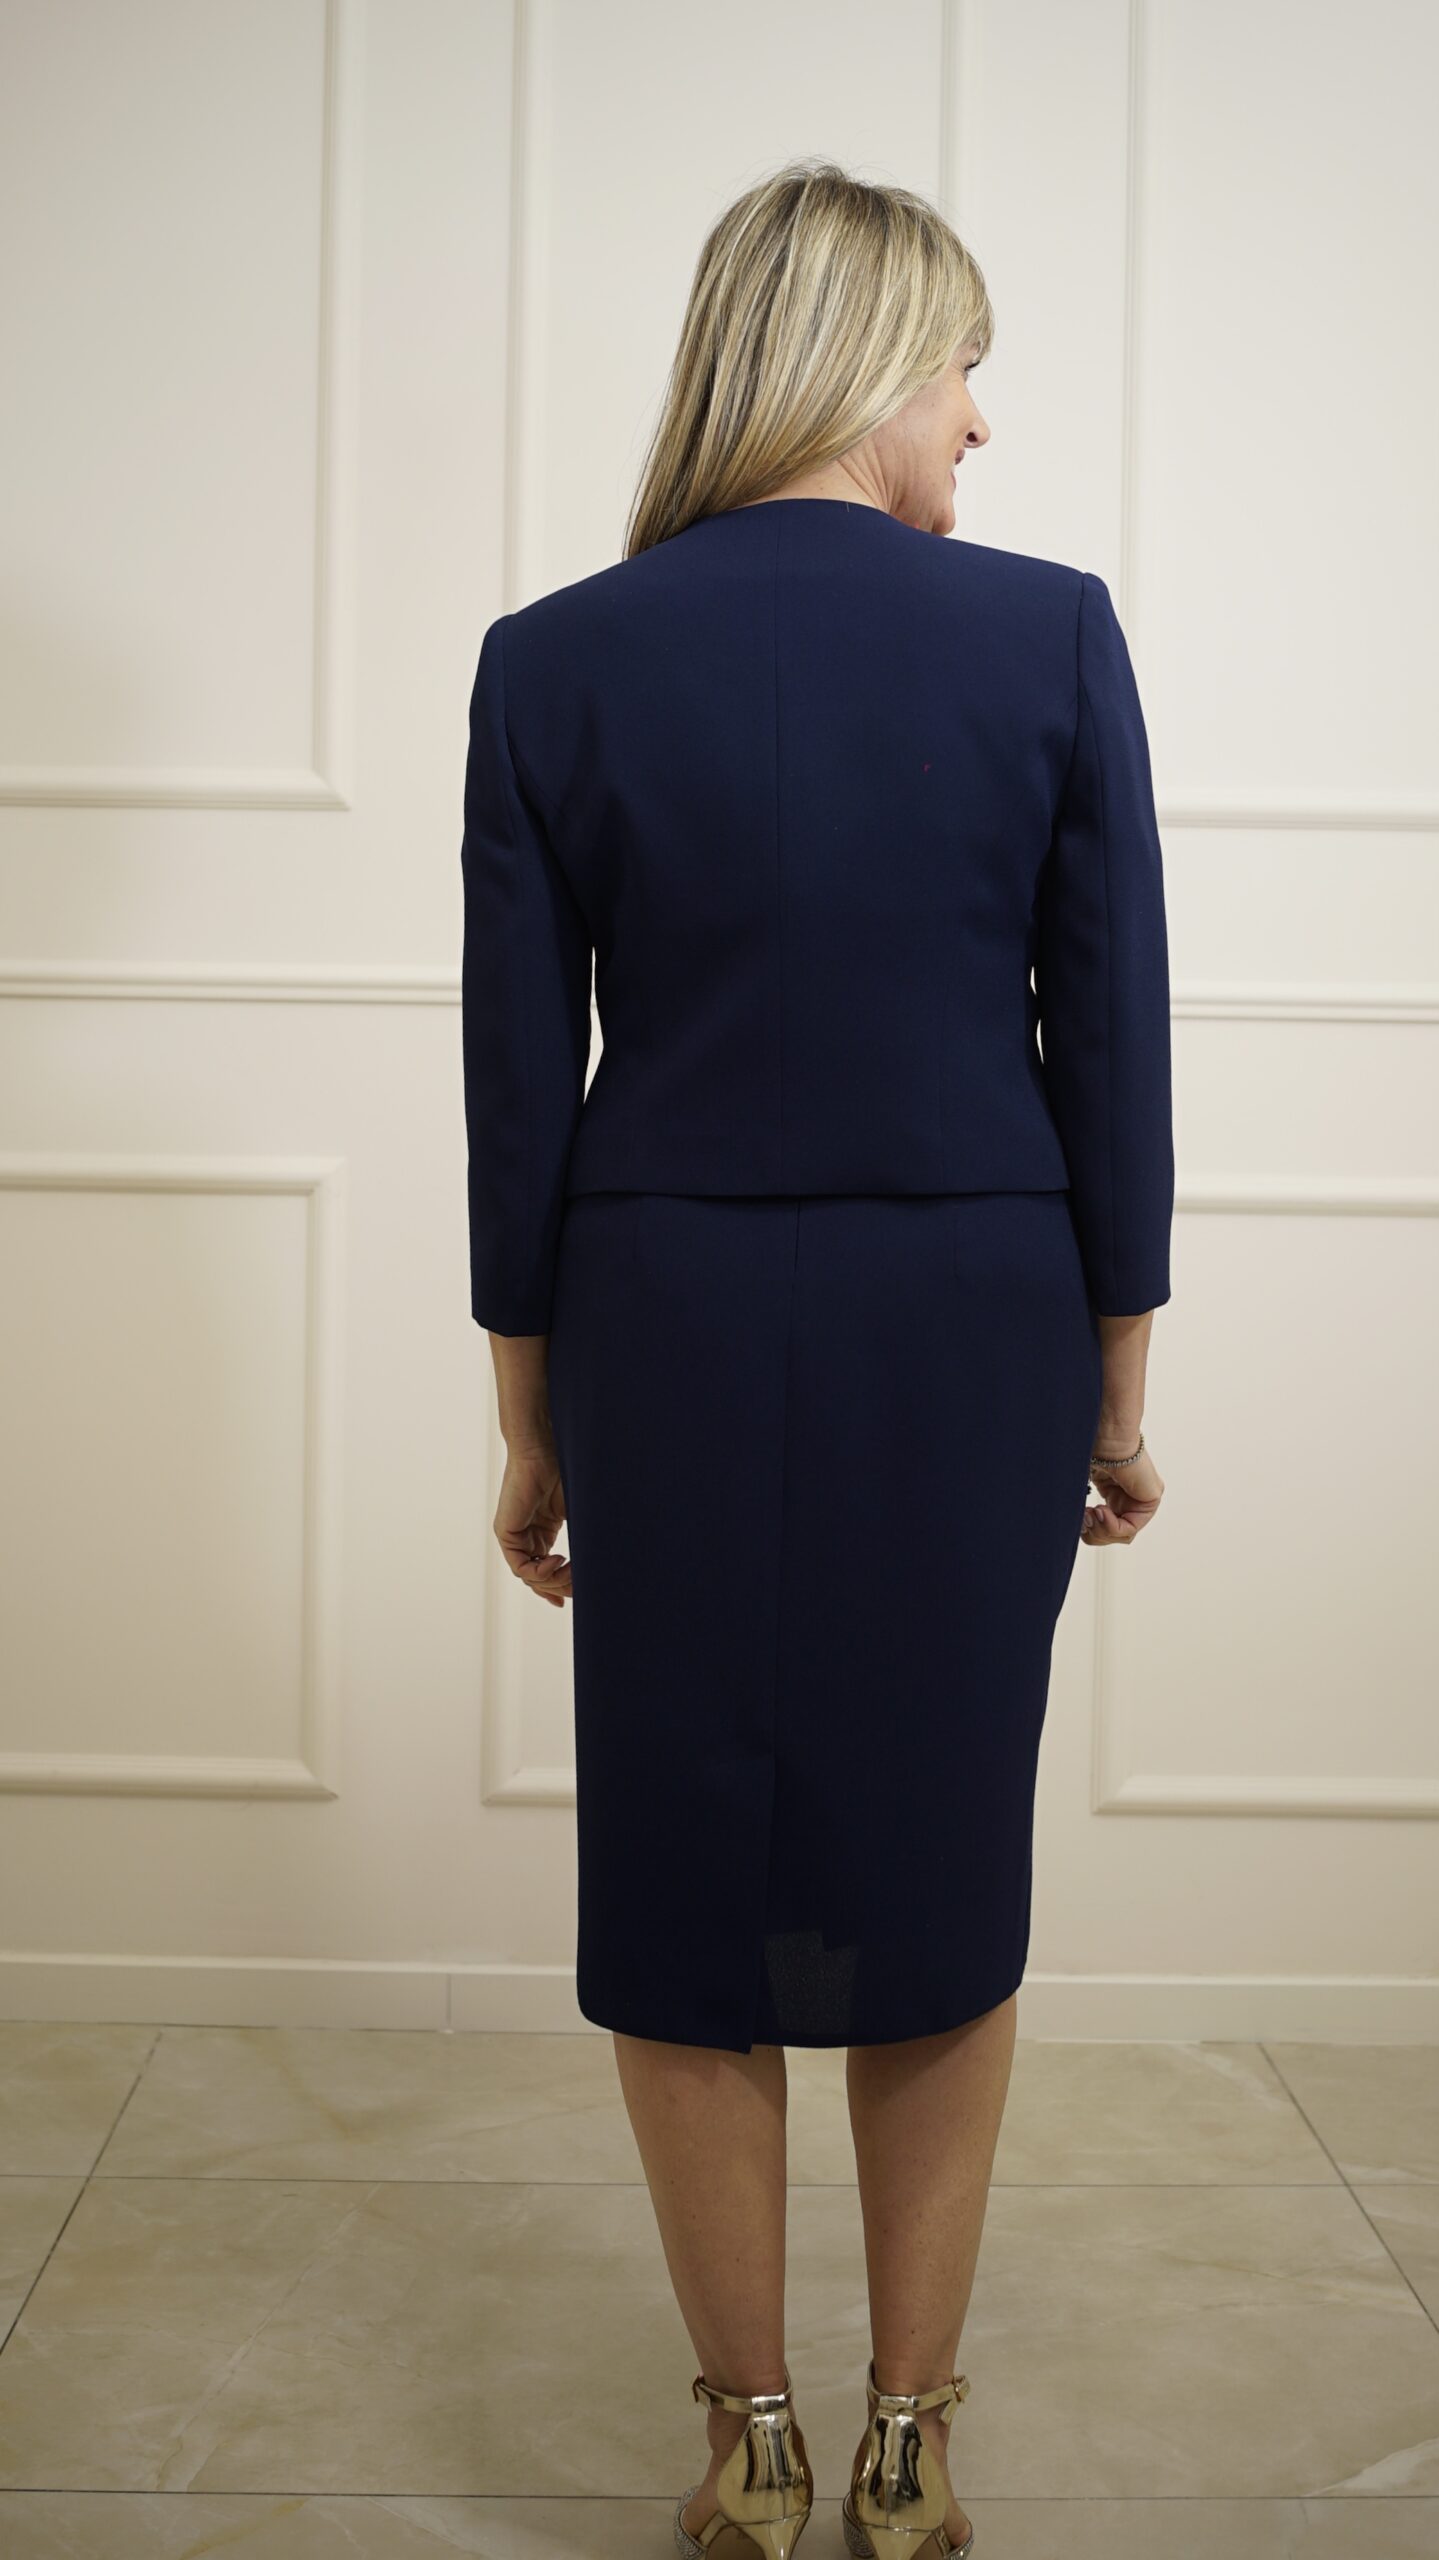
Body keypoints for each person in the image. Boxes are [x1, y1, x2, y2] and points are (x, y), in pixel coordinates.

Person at [459, 158, 1173, 2560]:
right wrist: (1119, 1385)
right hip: (971, 1325)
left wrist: (529, 1420)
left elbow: (517, 1091)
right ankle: (912, 2435)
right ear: (868, 361)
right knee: (938, 1863)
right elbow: (1112, 1051)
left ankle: (749, 2439)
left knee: (691, 1880)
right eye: (964, 364)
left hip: (660, 1325)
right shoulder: (1050, 635)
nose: (978, 417)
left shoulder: (554, 658)